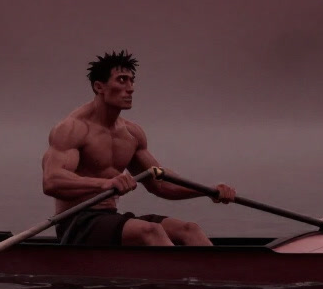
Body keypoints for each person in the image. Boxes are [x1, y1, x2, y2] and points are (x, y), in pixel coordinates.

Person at [41, 50, 236, 246]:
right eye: (122, 80)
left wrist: (208, 191)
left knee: (189, 229)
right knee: (151, 231)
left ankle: (216, 274)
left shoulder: (132, 134)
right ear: (99, 86)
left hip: (110, 218)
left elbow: (159, 183)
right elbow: (52, 181)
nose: (130, 88)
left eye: (132, 81)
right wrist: (103, 184)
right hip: (77, 223)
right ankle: (181, 275)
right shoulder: (73, 128)